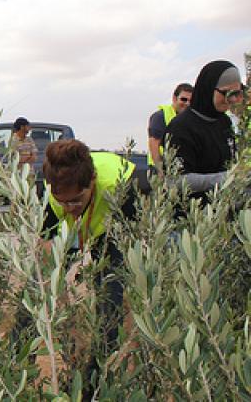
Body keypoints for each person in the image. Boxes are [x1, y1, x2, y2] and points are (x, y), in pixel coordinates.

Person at [41, 139, 138, 388]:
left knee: (110, 304)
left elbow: (137, 249)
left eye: (76, 200)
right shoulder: (54, 193)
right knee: (31, 302)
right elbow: (44, 251)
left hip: (111, 230)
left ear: (92, 181)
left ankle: (95, 384)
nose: (69, 208)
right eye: (63, 202)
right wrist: (57, 298)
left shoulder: (121, 186)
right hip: (83, 231)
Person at [167, 60, 243, 201]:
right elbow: (176, 181)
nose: (231, 99)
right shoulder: (181, 127)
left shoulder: (224, 121)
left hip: (223, 210)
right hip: (192, 216)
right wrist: (227, 177)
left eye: (236, 93)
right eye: (226, 93)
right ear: (208, 89)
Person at [147, 83, 193, 174]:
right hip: (160, 169)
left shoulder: (191, 119)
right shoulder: (160, 116)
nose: (187, 103)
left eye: (191, 100)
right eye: (184, 99)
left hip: (181, 170)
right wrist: (161, 171)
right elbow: (154, 145)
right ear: (174, 98)